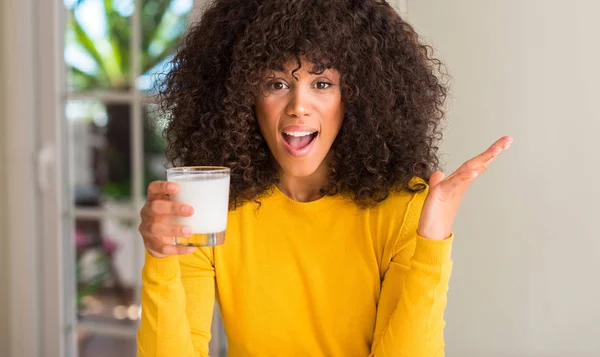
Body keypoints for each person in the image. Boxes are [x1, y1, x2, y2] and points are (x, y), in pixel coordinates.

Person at [136, 0, 512, 356]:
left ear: (358, 95)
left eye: (322, 84)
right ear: (242, 97)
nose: (299, 106)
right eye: (277, 83)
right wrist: (160, 258)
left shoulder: (402, 209)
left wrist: (431, 242)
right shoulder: (215, 207)